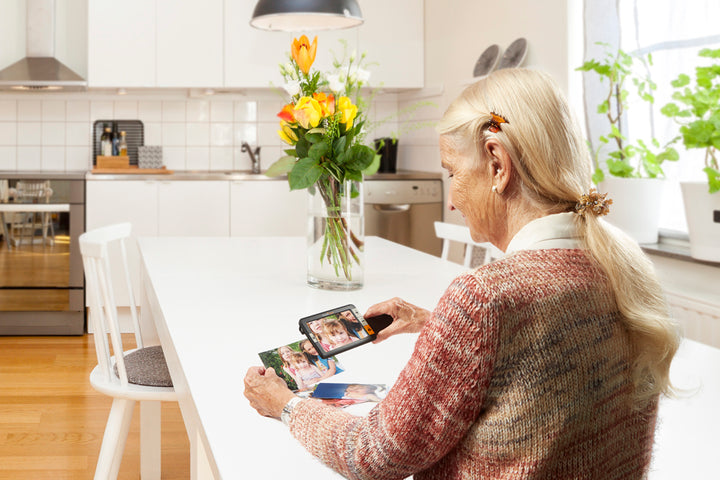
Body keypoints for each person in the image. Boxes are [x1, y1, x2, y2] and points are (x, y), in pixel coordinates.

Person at [244, 68, 680, 479]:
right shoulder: (627, 269)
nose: (451, 200)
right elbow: (548, 360)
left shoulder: (486, 297)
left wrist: (285, 404)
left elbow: (374, 454)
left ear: (497, 164)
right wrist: (435, 325)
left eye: (452, 172)